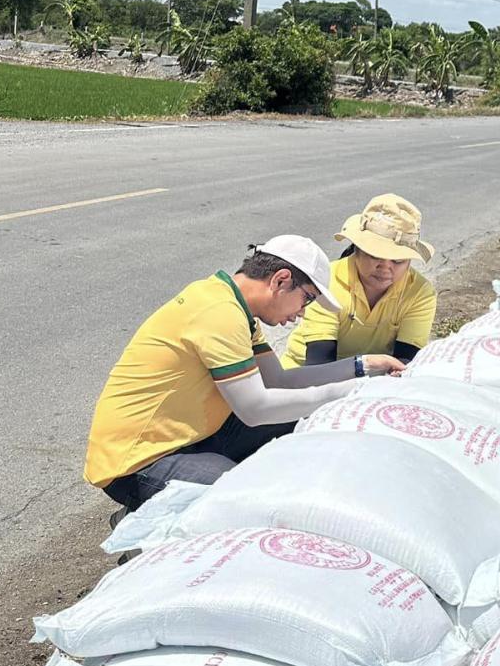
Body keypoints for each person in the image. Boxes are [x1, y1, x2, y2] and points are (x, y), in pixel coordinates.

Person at [85, 235, 399, 511]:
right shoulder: (219, 313)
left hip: (191, 435)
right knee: (244, 494)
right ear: (280, 280)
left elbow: (279, 381)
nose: (302, 313)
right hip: (138, 462)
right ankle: (146, 531)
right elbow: (254, 409)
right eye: (307, 299)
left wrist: (362, 367)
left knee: (295, 418)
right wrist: (353, 393)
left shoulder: (236, 309)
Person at [283, 192, 438, 372]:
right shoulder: (327, 281)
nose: (385, 267)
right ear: (357, 249)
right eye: (375, 256)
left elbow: (405, 360)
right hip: (303, 374)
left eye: (398, 261)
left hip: (374, 378)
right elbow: (319, 362)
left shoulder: (420, 293)